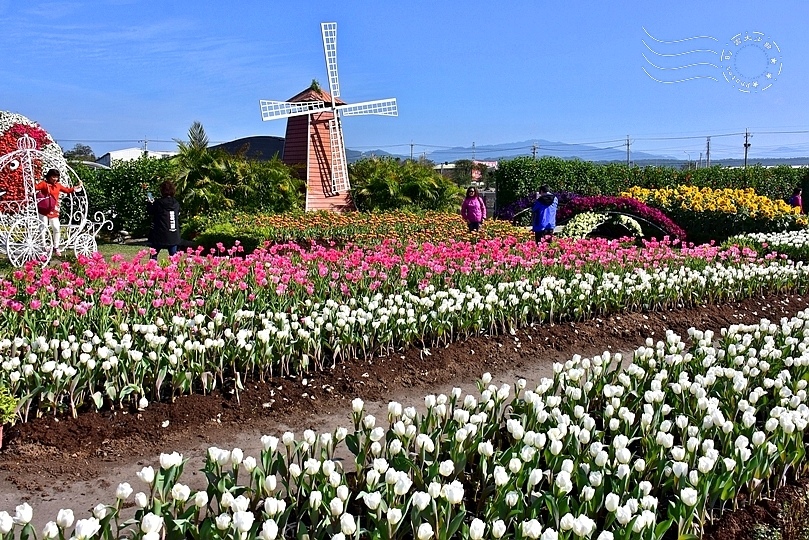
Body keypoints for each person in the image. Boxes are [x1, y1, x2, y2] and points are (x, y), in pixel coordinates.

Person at [35, 168, 81, 256]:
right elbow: (35, 187)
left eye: (56, 177)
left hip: (53, 210)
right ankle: (43, 247)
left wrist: (76, 187)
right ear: (49, 176)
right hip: (43, 210)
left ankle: (56, 247)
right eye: (53, 176)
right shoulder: (44, 184)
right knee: (43, 228)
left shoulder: (58, 185)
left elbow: (67, 190)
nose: (55, 179)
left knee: (56, 228)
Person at [146, 180, 181, 259]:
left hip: (159, 235)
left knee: (153, 256)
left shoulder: (158, 203)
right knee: (174, 259)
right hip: (173, 234)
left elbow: (150, 211)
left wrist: (149, 203)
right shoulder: (176, 203)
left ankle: (153, 270)